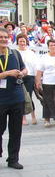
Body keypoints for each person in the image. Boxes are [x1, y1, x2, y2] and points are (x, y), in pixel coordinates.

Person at [0, 27, 27, 169]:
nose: (4, 39)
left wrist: (22, 73)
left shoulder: (15, 53)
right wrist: (6, 73)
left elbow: (25, 68)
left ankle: (13, 159)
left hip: (17, 98)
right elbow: (5, 74)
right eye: (1, 37)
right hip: (1, 100)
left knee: (16, 131)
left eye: (6, 37)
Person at [15, 34, 38, 126]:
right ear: (17, 42)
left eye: (24, 41)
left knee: (29, 96)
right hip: (18, 77)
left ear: (26, 42)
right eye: (20, 41)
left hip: (29, 76)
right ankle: (23, 117)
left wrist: (37, 79)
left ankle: (33, 116)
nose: (22, 43)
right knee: (21, 97)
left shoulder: (31, 53)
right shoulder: (15, 52)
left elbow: (35, 66)